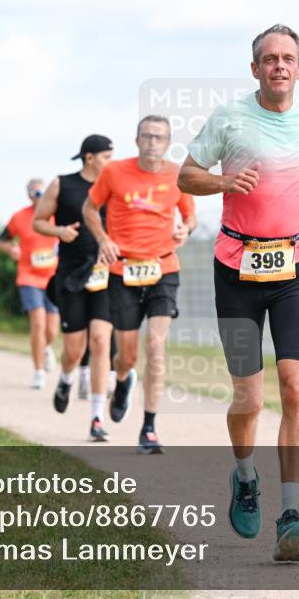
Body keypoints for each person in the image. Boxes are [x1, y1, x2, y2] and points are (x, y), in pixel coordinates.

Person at [178, 24, 299, 561]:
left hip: (297, 265)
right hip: (236, 269)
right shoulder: (230, 118)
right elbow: (186, 176)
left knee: (297, 389)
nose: (279, 65)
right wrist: (223, 184)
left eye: (289, 58)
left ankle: (292, 513)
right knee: (249, 398)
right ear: (254, 69)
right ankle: (245, 475)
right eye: (270, 59)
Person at [83, 116, 197, 453]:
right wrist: (103, 239)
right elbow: (90, 209)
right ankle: (122, 382)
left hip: (164, 267)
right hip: (123, 272)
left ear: (167, 142)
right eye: (147, 136)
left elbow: (190, 215)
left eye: (159, 137)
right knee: (128, 355)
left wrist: (185, 229)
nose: (152, 142)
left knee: (156, 347)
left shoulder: (178, 175)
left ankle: (149, 428)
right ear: (136, 140)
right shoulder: (114, 172)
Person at [34, 134, 116, 442]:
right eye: (107, 156)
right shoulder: (62, 184)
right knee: (73, 349)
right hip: (71, 274)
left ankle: (97, 417)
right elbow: (38, 222)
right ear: (90, 157)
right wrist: (59, 231)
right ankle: (66, 378)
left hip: (106, 274)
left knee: (100, 340)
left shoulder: (113, 186)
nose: (111, 162)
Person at [0, 179, 60, 390]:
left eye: (42, 192)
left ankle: (46, 347)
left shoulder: (58, 215)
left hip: (53, 276)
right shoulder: (19, 217)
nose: (39, 196)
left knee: (52, 329)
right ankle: (38, 371)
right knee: (38, 323)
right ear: (29, 196)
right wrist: (11, 250)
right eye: (34, 193)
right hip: (29, 276)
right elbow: (3, 240)